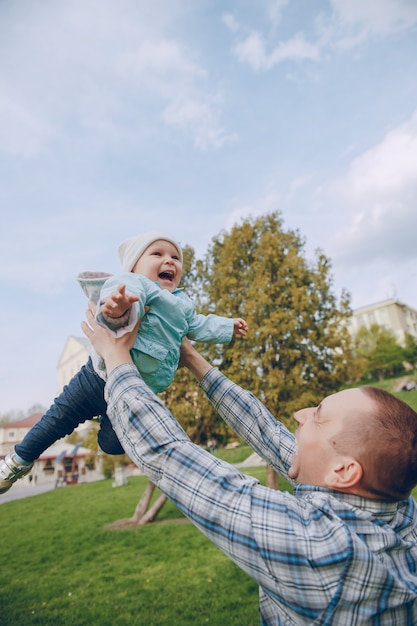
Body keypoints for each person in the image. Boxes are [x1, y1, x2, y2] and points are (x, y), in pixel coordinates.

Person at [80, 302, 417, 625]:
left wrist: (115, 357)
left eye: (318, 416)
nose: (299, 415)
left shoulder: (323, 551)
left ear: (344, 471)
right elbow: (267, 432)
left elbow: (170, 456)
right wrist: (191, 357)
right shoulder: (397, 509)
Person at [0, 231, 248, 494]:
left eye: (175, 257)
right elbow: (120, 307)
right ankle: (16, 462)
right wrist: (116, 307)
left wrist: (228, 326)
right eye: (157, 254)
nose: (169, 261)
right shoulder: (134, 285)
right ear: (134, 267)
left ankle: (102, 416)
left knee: (115, 445)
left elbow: (199, 324)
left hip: (132, 391)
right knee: (57, 419)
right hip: (97, 376)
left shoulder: (182, 305)